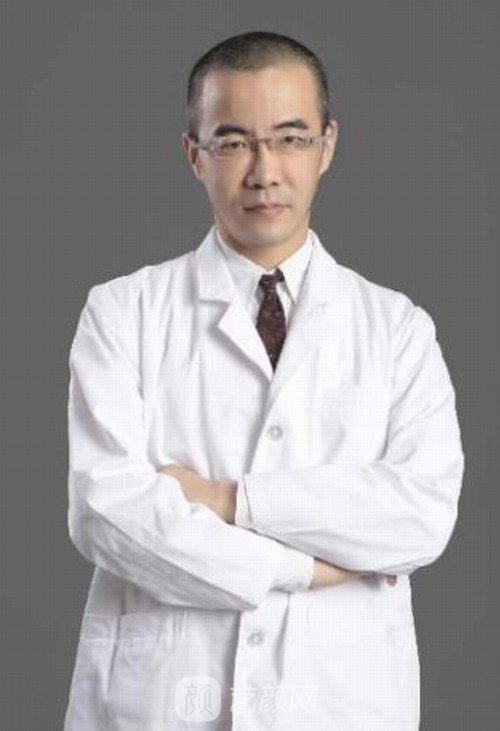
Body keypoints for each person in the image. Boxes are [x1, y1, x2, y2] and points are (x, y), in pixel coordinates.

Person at [62, 31, 464, 731]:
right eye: (233, 142)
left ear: (327, 146)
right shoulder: (123, 312)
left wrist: (228, 500)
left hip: (339, 701)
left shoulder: (398, 328)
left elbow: (420, 515)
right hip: (161, 702)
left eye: (291, 139)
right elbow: (107, 513)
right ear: (194, 155)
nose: (265, 171)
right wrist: (307, 568)